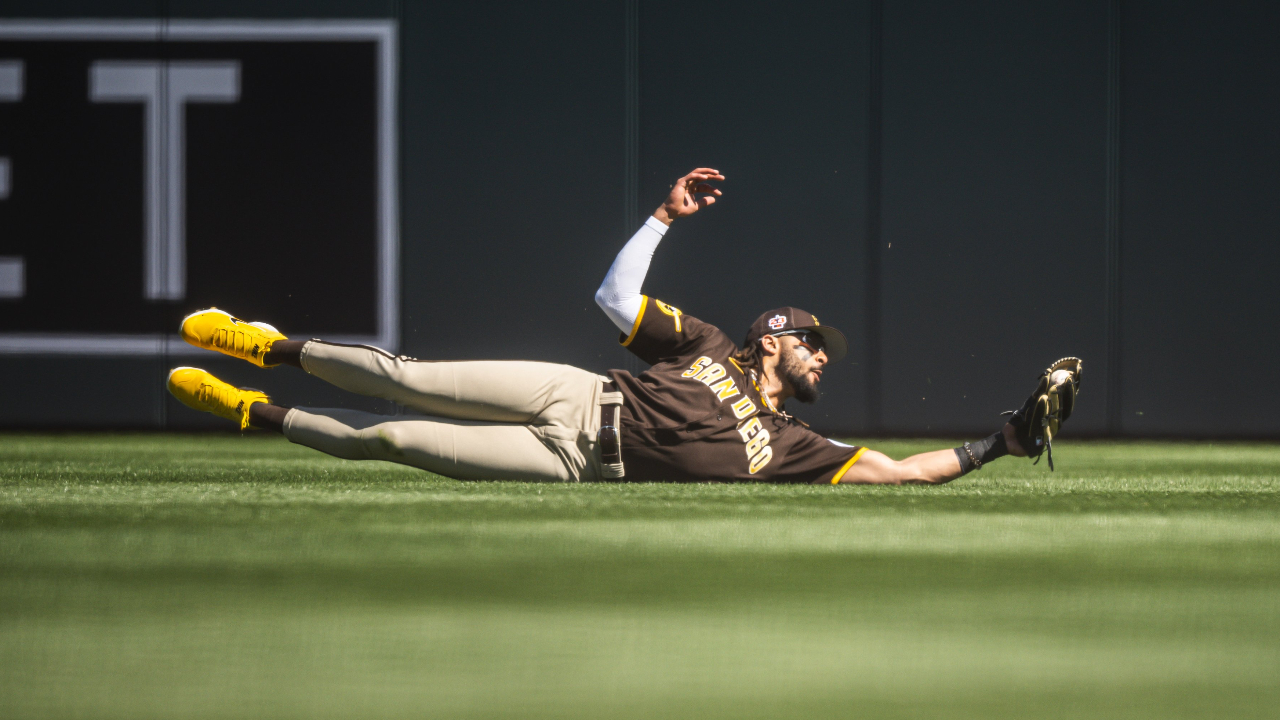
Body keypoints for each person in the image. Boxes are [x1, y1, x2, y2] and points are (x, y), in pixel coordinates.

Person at [168, 168, 1081, 484]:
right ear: (775, 335)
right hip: (576, 392)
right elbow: (613, 304)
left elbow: (899, 470)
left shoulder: (796, 443)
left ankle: (255, 414)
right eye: (812, 343)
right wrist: (663, 220)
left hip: (577, 462)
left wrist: (1003, 440)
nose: (819, 360)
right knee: (407, 377)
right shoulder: (714, 343)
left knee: (395, 442)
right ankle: (265, 344)